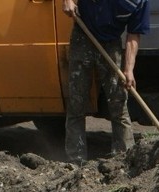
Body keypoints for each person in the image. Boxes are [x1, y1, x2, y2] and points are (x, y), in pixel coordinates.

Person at [62, 0, 150, 163]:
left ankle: (123, 160)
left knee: (118, 103)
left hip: (111, 42)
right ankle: (75, 160)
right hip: (83, 35)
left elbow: (133, 34)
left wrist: (129, 69)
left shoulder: (139, 3)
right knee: (76, 102)